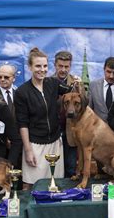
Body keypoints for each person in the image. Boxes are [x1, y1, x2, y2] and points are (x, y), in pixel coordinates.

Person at [14, 47, 75, 190]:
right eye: (38, 66)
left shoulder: (53, 83)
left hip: (55, 142)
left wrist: (75, 84)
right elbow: (22, 124)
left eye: (45, 66)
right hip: (35, 144)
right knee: (30, 184)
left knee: (55, 184)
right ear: (30, 67)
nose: (42, 69)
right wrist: (28, 150)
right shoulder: (22, 92)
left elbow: (70, 92)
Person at [52, 51, 78, 178]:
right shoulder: (47, 82)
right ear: (55, 65)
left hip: (71, 131)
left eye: (66, 66)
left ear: (70, 66)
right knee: (53, 167)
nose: (63, 69)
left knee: (71, 167)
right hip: (52, 132)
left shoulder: (76, 83)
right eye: (60, 66)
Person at [88, 57, 114, 122]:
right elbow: (89, 110)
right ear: (104, 69)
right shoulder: (93, 85)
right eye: (108, 72)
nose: (111, 76)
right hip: (97, 130)